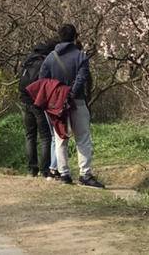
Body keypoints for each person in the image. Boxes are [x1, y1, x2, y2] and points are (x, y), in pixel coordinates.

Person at [38, 23, 104, 188]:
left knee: (60, 139)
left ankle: (64, 174)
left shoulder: (50, 58)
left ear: (59, 38)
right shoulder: (81, 56)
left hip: (57, 105)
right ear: (76, 37)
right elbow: (82, 78)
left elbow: (42, 81)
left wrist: (57, 97)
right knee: (83, 138)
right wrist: (71, 94)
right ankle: (85, 174)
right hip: (78, 102)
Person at [18, 38, 58, 178]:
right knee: (45, 137)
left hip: (24, 100)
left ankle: (31, 170)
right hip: (38, 102)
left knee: (30, 136)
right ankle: (45, 170)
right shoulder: (46, 61)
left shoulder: (29, 59)